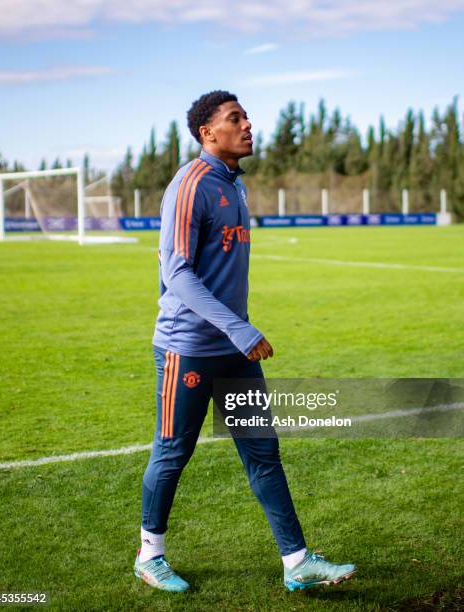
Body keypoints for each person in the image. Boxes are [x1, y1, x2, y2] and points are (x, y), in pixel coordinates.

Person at [134, 90, 356, 592]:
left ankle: (296, 562)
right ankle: (150, 555)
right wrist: (239, 327)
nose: (248, 124)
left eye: (246, 116)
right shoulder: (190, 184)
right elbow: (178, 274)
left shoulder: (234, 185)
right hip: (187, 346)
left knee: (262, 453)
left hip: (233, 352)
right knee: (173, 452)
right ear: (207, 133)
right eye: (235, 119)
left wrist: (237, 331)